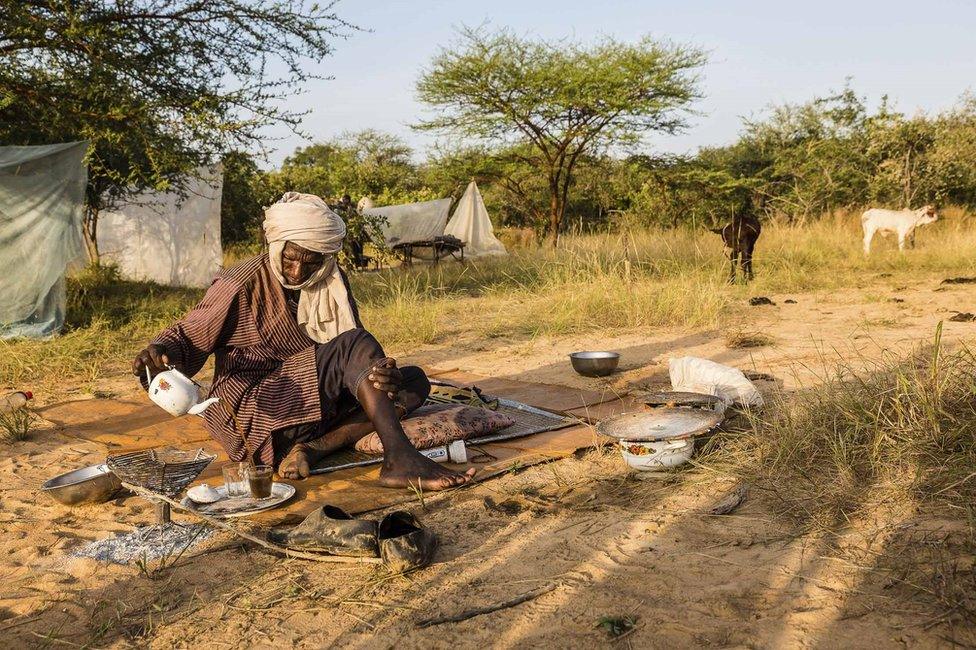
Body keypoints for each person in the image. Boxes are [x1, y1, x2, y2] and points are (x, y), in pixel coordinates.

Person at [132, 192, 475, 490]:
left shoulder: (330, 280)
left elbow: (350, 357)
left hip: (311, 407)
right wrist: (161, 352)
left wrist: (379, 374)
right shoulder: (241, 282)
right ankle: (400, 459)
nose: (297, 272)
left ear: (326, 258)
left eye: (310, 262)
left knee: (411, 382)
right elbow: (189, 336)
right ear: (276, 244)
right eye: (290, 258)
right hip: (257, 414)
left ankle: (313, 448)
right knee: (356, 346)